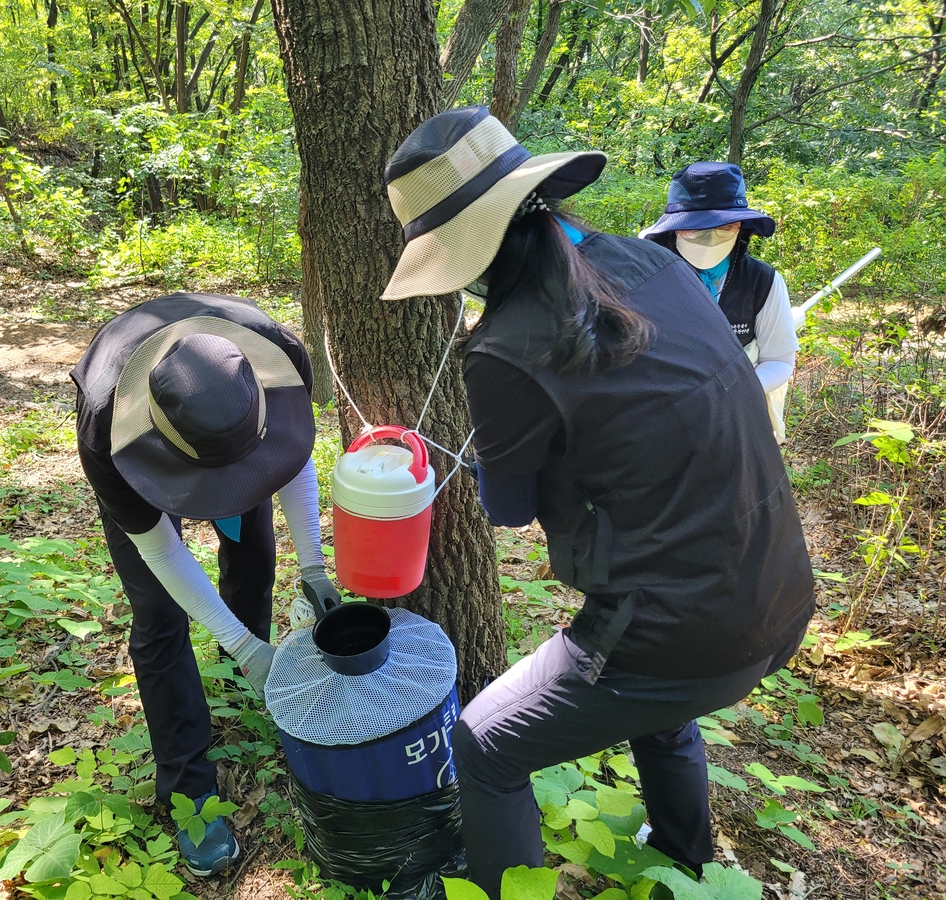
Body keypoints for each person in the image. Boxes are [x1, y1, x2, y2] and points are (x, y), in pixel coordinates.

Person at [380, 107, 814, 899]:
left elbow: (507, 509)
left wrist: (499, 452)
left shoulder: (504, 348)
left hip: (679, 634)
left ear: (467, 252)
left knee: (483, 744)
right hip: (780, 591)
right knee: (660, 707)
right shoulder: (650, 265)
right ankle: (685, 861)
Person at [71, 292, 339, 876]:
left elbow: (292, 459)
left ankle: (246, 680)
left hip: (230, 430)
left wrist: (315, 569)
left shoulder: (279, 354)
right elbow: (161, 550)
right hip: (132, 446)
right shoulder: (104, 427)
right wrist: (247, 647)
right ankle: (189, 790)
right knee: (160, 619)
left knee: (254, 556)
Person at [640, 162, 798, 441]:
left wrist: (732, 390)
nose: (710, 238)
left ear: (742, 228)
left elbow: (779, 359)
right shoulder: (646, 276)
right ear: (673, 230)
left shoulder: (762, 282)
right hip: (656, 420)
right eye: (694, 229)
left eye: (725, 226)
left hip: (733, 420)